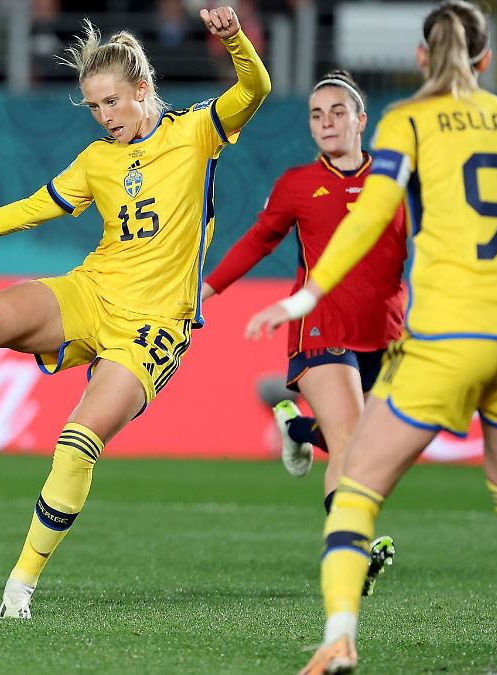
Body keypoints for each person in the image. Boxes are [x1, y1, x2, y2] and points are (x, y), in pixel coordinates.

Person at [0, 7, 271, 619]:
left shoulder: (198, 131)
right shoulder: (97, 161)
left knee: (75, 443)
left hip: (152, 329)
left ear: (143, 91)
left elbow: (255, 88)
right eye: (94, 106)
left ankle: (20, 585)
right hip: (90, 292)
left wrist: (233, 38)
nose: (104, 117)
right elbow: (33, 208)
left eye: (112, 103)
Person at [245, 1, 497, 672]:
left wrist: (309, 293)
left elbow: (371, 213)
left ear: (420, 60)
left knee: (359, 487)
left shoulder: (408, 120)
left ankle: (339, 636)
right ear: (487, 60)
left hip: (448, 337)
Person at [202, 69, 406, 596]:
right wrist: (210, 288)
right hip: (321, 329)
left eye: (338, 112)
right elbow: (257, 241)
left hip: (385, 332)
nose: (327, 122)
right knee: (352, 443)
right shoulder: (297, 184)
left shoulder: (396, 177)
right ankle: (351, 554)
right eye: (317, 115)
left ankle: (295, 430)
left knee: (375, 444)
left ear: (363, 119)